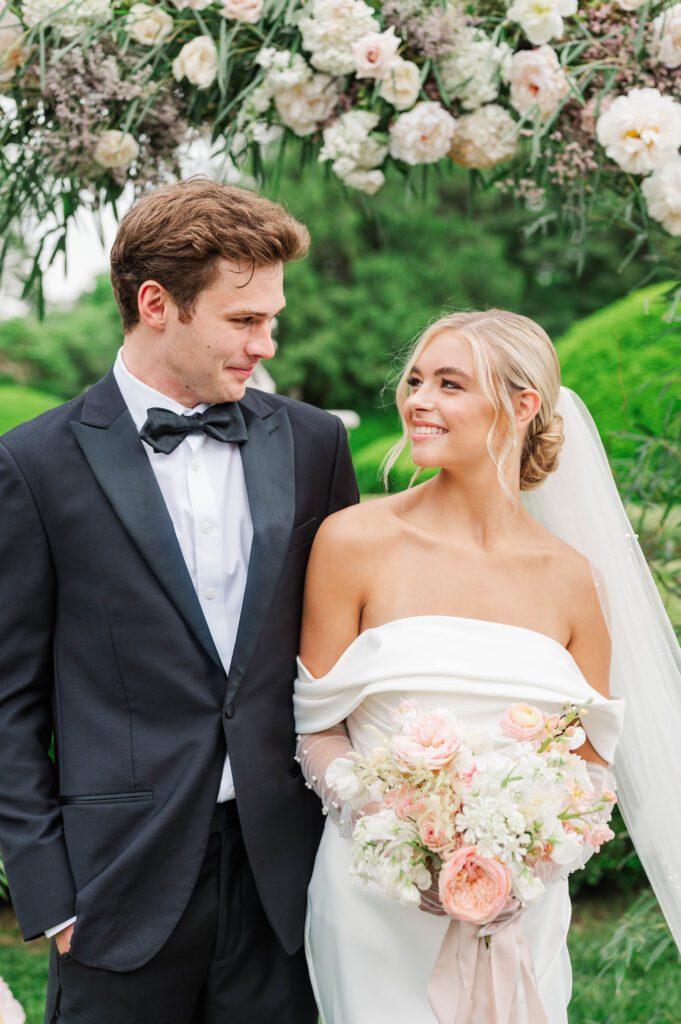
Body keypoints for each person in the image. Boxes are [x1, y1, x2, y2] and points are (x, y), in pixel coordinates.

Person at [0, 179, 358, 1024]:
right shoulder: (33, 463)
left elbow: (348, 651)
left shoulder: (314, 443)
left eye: (271, 318)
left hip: (287, 877)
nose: (266, 343)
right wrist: (48, 893)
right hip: (114, 888)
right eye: (244, 321)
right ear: (156, 303)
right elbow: (8, 700)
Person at [293, 308, 679, 1023]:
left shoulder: (572, 578)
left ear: (522, 405)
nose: (418, 401)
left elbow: (591, 760)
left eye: (449, 384)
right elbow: (316, 730)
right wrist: (394, 835)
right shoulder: (351, 541)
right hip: (373, 897)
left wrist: (528, 857)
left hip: (519, 906)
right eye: (414, 381)